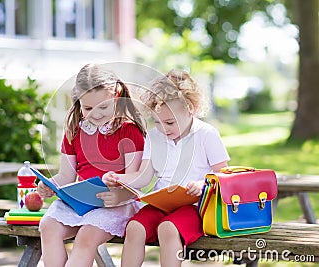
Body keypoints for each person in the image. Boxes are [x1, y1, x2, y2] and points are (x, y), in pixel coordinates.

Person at [102, 69, 230, 267]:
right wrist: (119, 179)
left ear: (191, 108)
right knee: (135, 227)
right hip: (161, 204)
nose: (164, 128)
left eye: (170, 122)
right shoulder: (154, 137)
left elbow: (223, 174)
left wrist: (202, 184)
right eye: (157, 122)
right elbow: (143, 177)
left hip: (195, 207)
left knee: (168, 229)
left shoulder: (207, 135)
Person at [37, 64, 146, 267]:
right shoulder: (73, 131)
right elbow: (66, 176)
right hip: (81, 204)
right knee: (48, 225)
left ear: (117, 94)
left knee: (86, 238)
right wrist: (50, 185)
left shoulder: (129, 131)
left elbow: (136, 182)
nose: (96, 114)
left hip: (117, 205)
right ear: (78, 103)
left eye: (103, 107)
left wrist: (120, 195)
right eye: (88, 108)